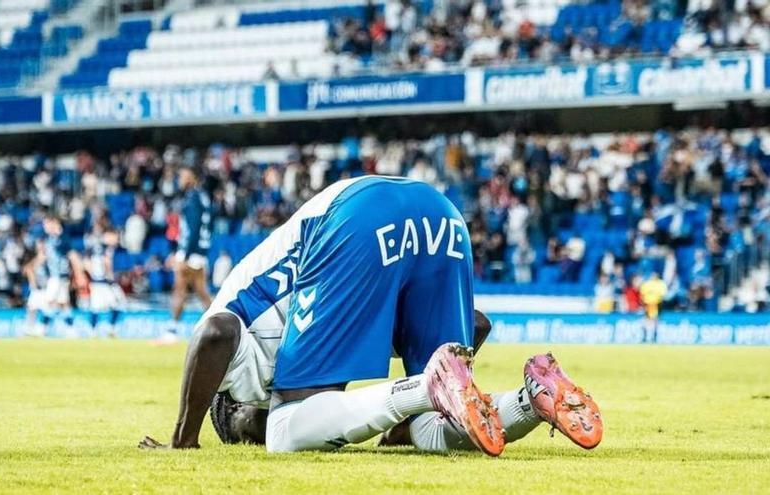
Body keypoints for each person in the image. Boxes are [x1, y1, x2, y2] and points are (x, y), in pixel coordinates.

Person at [140, 176, 602, 455]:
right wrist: (412, 408)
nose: (248, 435)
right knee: (429, 432)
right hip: (439, 212)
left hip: (356, 216)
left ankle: (426, 386)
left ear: (232, 404)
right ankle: (533, 399)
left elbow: (214, 332)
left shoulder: (240, 366)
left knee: (286, 429)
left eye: (240, 430)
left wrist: (183, 440)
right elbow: (474, 325)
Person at [162, 167, 213, 343]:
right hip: (200, 251)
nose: (180, 179)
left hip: (191, 252)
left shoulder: (192, 198)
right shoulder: (203, 196)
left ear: (192, 177)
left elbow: (191, 229)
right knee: (201, 292)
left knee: (180, 289)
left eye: (183, 175)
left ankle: (172, 331)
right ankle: (219, 327)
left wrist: (183, 255)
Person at [82, 229, 126, 336]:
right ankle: (103, 329)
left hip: (101, 282)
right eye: (113, 236)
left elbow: (85, 262)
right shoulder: (103, 248)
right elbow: (106, 262)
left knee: (116, 305)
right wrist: (107, 275)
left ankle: (104, 329)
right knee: (113, 305)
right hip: (103, 282)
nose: (116, 239)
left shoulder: (100, 248)